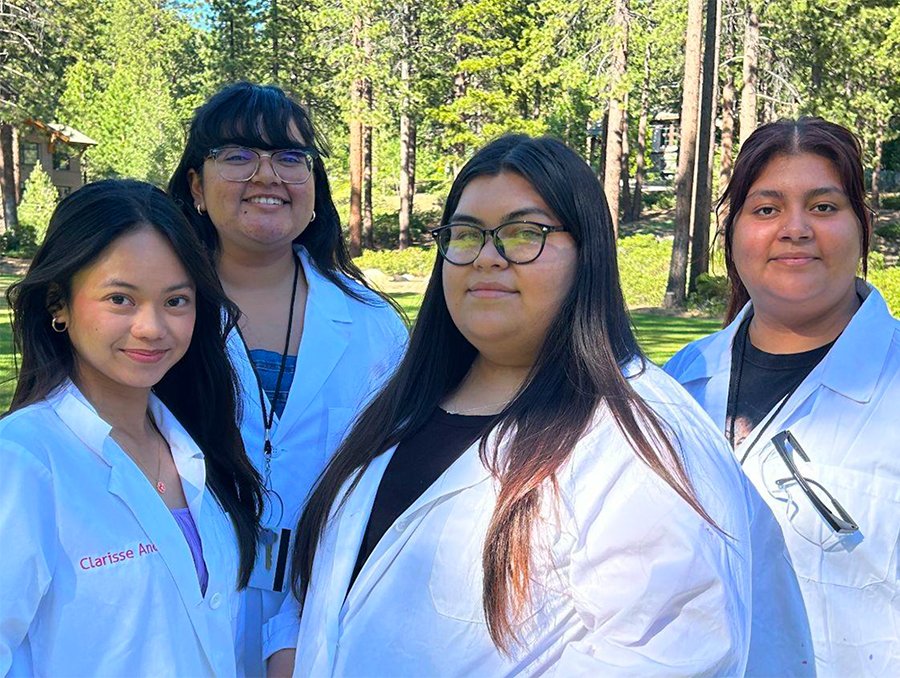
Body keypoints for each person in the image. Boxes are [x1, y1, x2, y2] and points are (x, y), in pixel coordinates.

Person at [268, 134, 759, 677]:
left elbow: (673, 656)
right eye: (466, 234)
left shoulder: (640, 438)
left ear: (588, 253)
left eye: (523, 234)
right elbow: (325, 586)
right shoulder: (397, 407)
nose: (485, 257)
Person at [168, 82, 408, 676]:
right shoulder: (161, 315)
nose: (268, 174)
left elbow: (396, 478)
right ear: (196, 186)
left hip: (325, 607)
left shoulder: (372, 323)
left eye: (290, 157)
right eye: (239, 155)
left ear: (314, 186)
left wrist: (300, 625)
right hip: (181, 605)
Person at [665, 117, 900, 677]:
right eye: (766, 209)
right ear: (734, 232)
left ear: (862, 228)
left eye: (823, 207)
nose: (795, 228)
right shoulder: (677, 384)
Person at [0, 180, 263, 677]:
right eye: (120, 299)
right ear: (59, 303)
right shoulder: (23, 462)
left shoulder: (198, 446)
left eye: (176, 301)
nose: (152, 327)